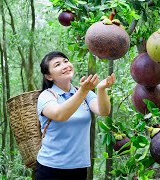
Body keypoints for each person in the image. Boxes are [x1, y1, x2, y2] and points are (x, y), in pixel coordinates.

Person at [35, 51, 115, 180]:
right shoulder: (46, 96)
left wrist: (101, 89)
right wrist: (84, 91)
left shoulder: (83, 92)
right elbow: (60, 114)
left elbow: (103, 110)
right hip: (50, 169)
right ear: (49, 76)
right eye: (57, 65)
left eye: (66, 61)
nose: (65, 65)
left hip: (79, 168)